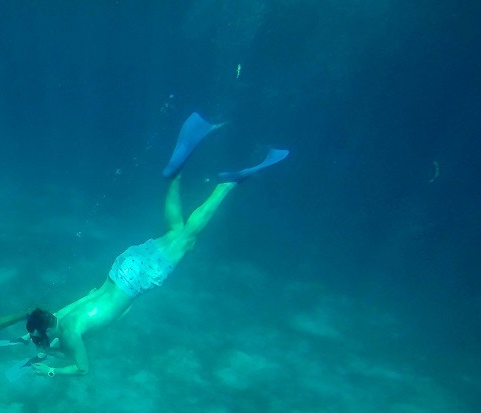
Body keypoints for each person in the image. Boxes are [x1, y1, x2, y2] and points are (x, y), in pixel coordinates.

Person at [25, 112, 288, 377]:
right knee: (175, 231)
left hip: (136, 280)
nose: (39, 342)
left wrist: (50, 370)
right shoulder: (59, 315)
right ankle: (177, 172)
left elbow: (82, 368)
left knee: (186, 239)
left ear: (47, 330)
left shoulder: (70, 332)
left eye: (38, 339)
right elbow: (77, 313)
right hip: (122, 267)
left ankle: (226, 185)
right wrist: (37, 340)